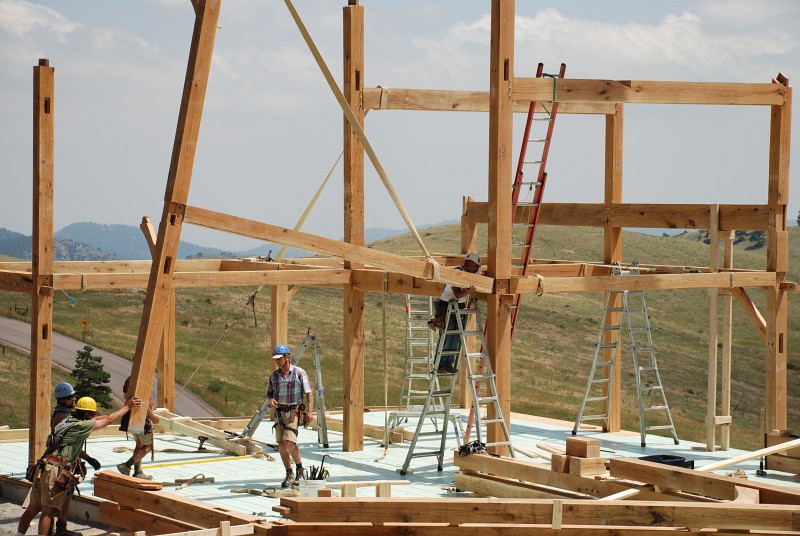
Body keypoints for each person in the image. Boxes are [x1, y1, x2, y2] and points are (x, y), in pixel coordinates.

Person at [17, 395, 141, 536]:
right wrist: (128, 406)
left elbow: (73, 441)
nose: (94, 417)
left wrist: (89, 458)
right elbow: (109, 419)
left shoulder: (68, 421)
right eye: (92, 414)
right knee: (48, 509)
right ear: (87, 414)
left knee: (33, 507)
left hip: (44, 467)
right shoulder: (81, 425)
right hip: (54, 469)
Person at [16, 383, 101, 536]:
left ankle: (55, 529)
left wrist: (88, 458)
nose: (73, 399)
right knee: (50, 506)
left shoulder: (65, 414)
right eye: (70, 397)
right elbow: (69, 443)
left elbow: (72, 446)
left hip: (53, 464)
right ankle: (52, 530)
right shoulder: (64, 417)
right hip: (57, 466)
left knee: (55, 501)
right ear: (63, 400)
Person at [266, 344, 314, 488]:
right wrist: (271, 400)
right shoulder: (274, 376)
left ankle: (300, 470)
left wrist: (310, 412)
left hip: (293, 412)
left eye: (279, 359)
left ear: (287, 357)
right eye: (276, 359)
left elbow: (309, 393)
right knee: (281, 443)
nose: (277, 362)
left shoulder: (299, 373)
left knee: (289, 441)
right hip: (279, 413)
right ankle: (289, 473)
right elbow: (269, 393)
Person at [433, 252, 481, 374]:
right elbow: (458, 294)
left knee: (456, 337)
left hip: (458, 306)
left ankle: (449, 363)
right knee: (447, 336)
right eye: (476, 267)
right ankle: (439, 364)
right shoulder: (456, 273)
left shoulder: (470, 273)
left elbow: (480, 275)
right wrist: (469, 290)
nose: (476, 270)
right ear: (470, 264)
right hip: (446, 306)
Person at [116, 375, 160, 480]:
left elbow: (126, 396)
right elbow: (144, 401)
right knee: (148, 446)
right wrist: (152, 416)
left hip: (131, 417)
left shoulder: (129, 380)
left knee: (139, 445)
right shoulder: (142, 379)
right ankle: (127, 465)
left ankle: (137, 472)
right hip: (142, 418)